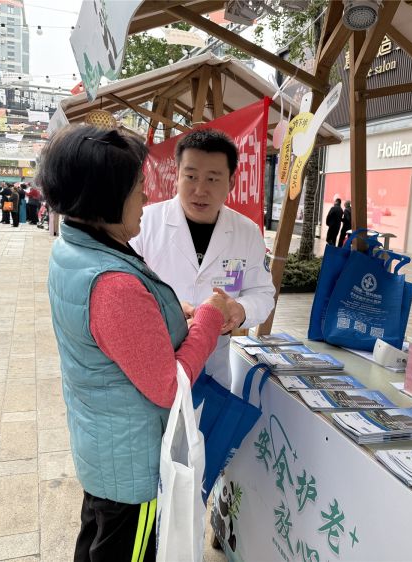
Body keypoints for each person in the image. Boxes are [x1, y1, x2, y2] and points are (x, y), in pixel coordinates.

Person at [40, 124, 230, 562]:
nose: (147, 197)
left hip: (105, 447)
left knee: (98, 540)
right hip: (132, 466)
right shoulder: (113, 285)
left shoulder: (75, 247)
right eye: (139, 187)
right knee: (125, 547)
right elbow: (167, 385)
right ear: (107, 197)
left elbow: (114, 336)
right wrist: (208, 318)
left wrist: (165, 314)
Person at [130, 128, 275, 389]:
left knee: (208, 428)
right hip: (156, 365)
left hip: (214, 369)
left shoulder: (247, 232)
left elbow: (263, 293)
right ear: (177, 176)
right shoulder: (143, 223)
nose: (200, 190)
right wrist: (167, 312)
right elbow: (126, 294)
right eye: (191, 176)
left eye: (212, 179)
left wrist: (240, 310)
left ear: (231, 182)